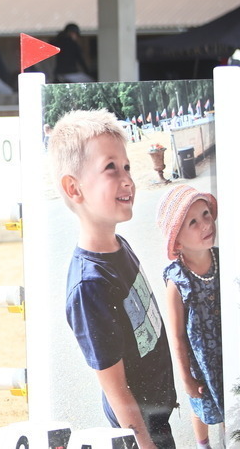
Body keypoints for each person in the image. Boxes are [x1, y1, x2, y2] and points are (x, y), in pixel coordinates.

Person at [48, 109, 176, 449]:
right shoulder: (90, 286)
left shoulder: (120, 244)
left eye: (127, 167)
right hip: (139, 433)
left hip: (156, 417)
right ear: (74, 188)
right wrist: (145, 443)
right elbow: (116, 390)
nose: (127, 180)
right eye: (111, 168)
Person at [156, 185, 223, 449]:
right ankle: (203, 444)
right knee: (202, 406)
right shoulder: (178, 280)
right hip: (202, 362)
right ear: (177, 242)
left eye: (205, 214)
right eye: (192, 222)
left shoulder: (223, 258)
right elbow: (177, 336)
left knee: (231, 400)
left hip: (227, 350)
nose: (205, 224)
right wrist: (186, 378)